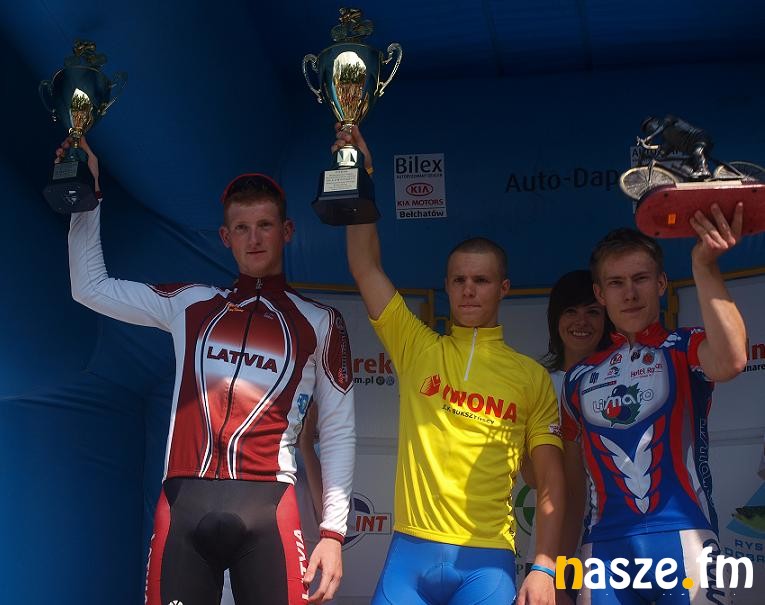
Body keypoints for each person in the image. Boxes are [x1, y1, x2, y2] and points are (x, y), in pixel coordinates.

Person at [63, 137, 356, 605]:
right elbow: (89, 287)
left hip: (268, 507)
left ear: (287, 230)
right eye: (242, 228)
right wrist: (87, 194)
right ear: (225, 237)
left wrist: (333, 534)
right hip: (184, 506)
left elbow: (338, 430)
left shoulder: (320, 321)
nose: (253, 238)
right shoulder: (191, 304)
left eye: (264, 225)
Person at [335, 125, 565, 605]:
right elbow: (365, 267)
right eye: (459, 280)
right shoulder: (417, 346)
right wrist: (360, 176)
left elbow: (549, 480)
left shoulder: (530, 377)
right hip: (409, 552)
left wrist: (545, 565)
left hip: (487, 562)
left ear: (503, 288)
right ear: (446, 285)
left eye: (481, 280)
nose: (468, 290)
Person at [559, 206, 747, 604]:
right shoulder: (577, 379)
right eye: (616, 283)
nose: (629, 293)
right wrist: (555, 572)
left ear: (661, 283)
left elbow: (731, 359)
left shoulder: (684, 347)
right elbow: (573, 492)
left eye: (641, 279)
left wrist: (704, 266)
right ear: (600, 293)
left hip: (688, 540)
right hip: (602, 552)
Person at [519, 270, 612, 591]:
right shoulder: (539, 384)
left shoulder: (627, 379)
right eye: (570, 311)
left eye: (593, 312)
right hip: (550, 550)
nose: (581, 321)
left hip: (614, 544)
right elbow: (533, 476)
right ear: (555, 320)